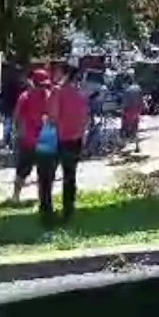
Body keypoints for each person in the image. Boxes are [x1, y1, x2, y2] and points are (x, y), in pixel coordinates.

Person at [11, 69, 58, 231]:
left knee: (23, 170)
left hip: (30, 141)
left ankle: (16, 197)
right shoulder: (50, 96)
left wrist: (17, 133)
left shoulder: (25, 96)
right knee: (43, 173)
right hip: (44, 142)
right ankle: (42, 201)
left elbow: (16, 117)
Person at [49, 65, 89, 223]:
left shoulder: (57, 91)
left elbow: (53, 116)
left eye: (57, 72)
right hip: (75, 139)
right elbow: (85, 119)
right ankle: (69, 209)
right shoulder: (81, 94)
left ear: (65, 75)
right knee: (70, 176)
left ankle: (47, 209)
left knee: (48, 175)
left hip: (58, 138)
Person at [0, 65, 23, 150]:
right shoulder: (17, 84)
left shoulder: (7, 82)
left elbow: (1, 95)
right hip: (12, 106)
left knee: (8, 125)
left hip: (8, 106)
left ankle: (7, 142)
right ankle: (10, 142)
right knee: (12, 125)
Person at [120, 69, 144, 152]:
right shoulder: (138, 88)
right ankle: (137, 146)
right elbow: (141, 100)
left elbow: (125, 103)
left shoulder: (127, 90)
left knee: (124, 127)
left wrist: (122, 111)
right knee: (135, 128)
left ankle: (123, 145)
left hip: (129, 111)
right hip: (137, 110)